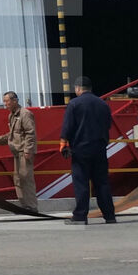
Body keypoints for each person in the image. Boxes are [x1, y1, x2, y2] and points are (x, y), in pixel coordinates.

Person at [59, 75, 117, 224]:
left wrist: (63, 143)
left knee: (81, 183)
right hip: (99, 148)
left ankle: (80, 216)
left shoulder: (74, 104)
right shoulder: (103, 104)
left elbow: (68, 126)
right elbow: (108, 125)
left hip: (80, 150)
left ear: (78, 89)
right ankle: (109, 216)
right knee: (102, 183)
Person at [3, 91, 39, 211]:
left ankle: (32, 206)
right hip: (16, 152)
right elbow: (13, 133)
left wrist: (28, 149)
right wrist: (0, 139)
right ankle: (24, 205)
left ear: (15, 101)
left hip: (24, 151)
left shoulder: (25, 114)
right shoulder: (12, 115)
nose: (5, 104)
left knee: (26, 178)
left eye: (7, 101)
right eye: (4, 101)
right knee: (18, 179)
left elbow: (30, 132)